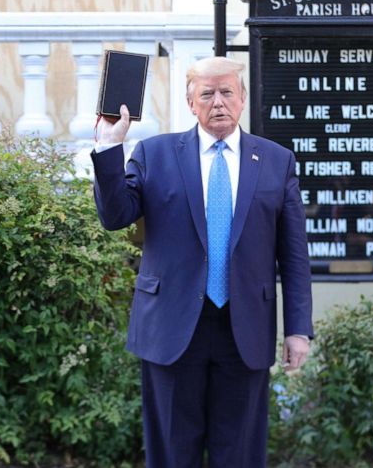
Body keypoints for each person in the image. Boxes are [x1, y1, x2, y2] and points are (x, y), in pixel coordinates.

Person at [91, 56, 313, 467]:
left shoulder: (277, 161)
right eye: (207, 94)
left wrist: (298, 329)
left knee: (241, 455)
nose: (218, 102)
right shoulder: (154, 154)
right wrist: (109, 146)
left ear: (242, 98)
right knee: (174, 455)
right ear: (191, 103)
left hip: (244, 329)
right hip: (172, 328)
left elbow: (294, 254)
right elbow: (115, 216)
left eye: (227, 92)